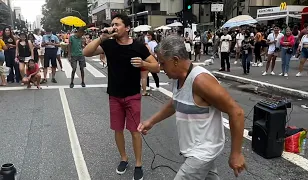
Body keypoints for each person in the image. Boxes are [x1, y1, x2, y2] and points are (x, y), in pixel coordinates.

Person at [138, 35, 246, 180]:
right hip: (193, 150)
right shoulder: (178, 78)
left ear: (175, 60)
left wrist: (236, 153)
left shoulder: (201, 81)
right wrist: (150, 122)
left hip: (202, 153)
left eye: (163, 63)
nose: (161, 68)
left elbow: (237, 112)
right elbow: (175, 102)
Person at [83, 14, 159, 180]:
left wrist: (144, 64)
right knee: (117, 130)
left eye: (117, 24)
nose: (114, 27)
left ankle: (138, 164)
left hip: (132, 95)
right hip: (114, 95)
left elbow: (157, 67)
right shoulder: (109, 44)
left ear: (127, 28)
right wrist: (101, 37)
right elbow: (86, 52)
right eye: (112, 24)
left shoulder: (138, 46)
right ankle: (124, 158)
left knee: (134, 131)